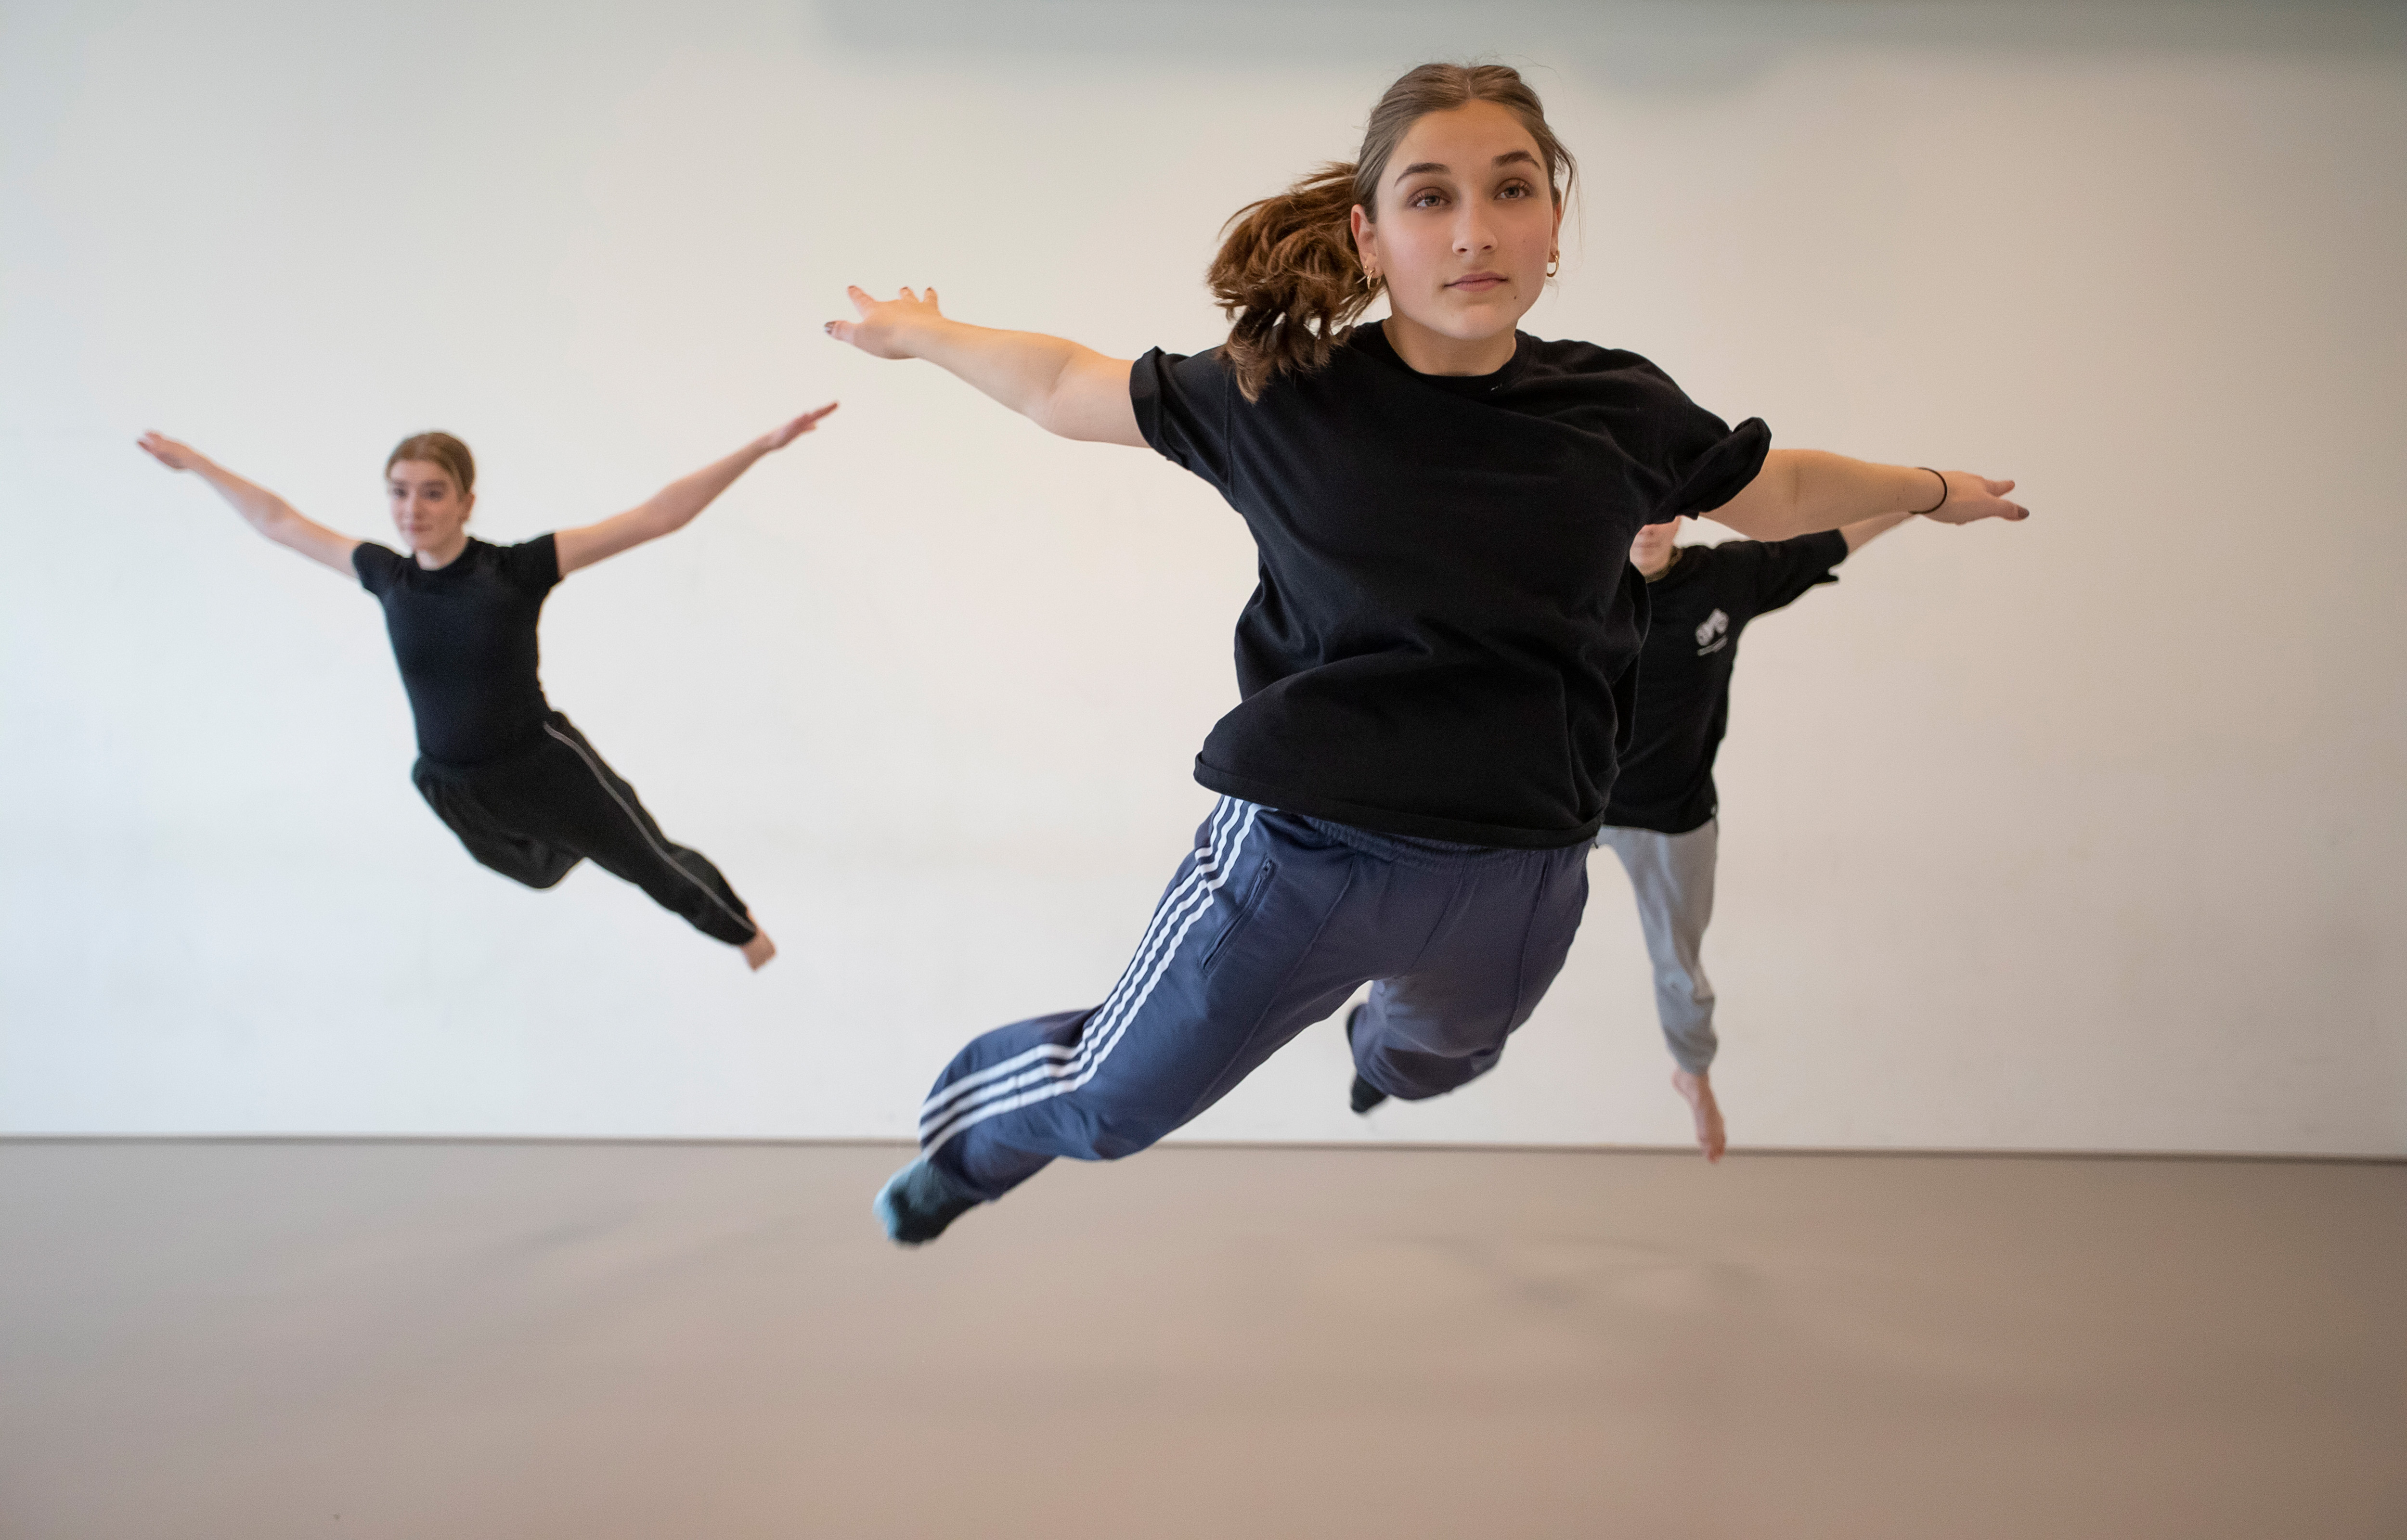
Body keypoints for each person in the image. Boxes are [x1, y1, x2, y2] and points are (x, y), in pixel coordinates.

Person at [828, 62, 2026, 1245]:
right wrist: (927, 335)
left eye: (1511, 191)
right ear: (1367, 236)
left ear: (1554, 222)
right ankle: (963, 1153)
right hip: (1304, 855)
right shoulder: (1279, 395)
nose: (1473, 233)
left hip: (1522, 871)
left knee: (1437, 1060)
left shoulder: (1618, 410)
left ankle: (1376, 1054)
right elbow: (1060, 385)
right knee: (1115, 1101)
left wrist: (1927, 490)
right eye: (1428, 198)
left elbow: (1780, 492)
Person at [135, 407, 837, 967]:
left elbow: (657, 516)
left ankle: (749, 939)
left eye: (433, 492)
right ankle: (578, 846)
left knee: (648, 862)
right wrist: (192, 461)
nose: (414, 508)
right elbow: (277, 520)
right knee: (536, 876)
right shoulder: (388, 576)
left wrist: (761, 447)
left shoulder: (517, 569)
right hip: (451, 782)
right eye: (400, 492)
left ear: (467, 501)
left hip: (543, 763)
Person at [1351, 511, 1914, 1161]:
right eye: (1636, 505)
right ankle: (1379, 1055)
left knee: (1681, 968)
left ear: (1691, 511)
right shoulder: (1566, 580)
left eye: (1667, 506)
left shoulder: (1726, 580)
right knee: (1472, 951)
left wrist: (1924, 496)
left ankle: (1693, 1075)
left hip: (1672, 815)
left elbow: (1829, 538)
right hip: (1562, 808)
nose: (1650, 523)